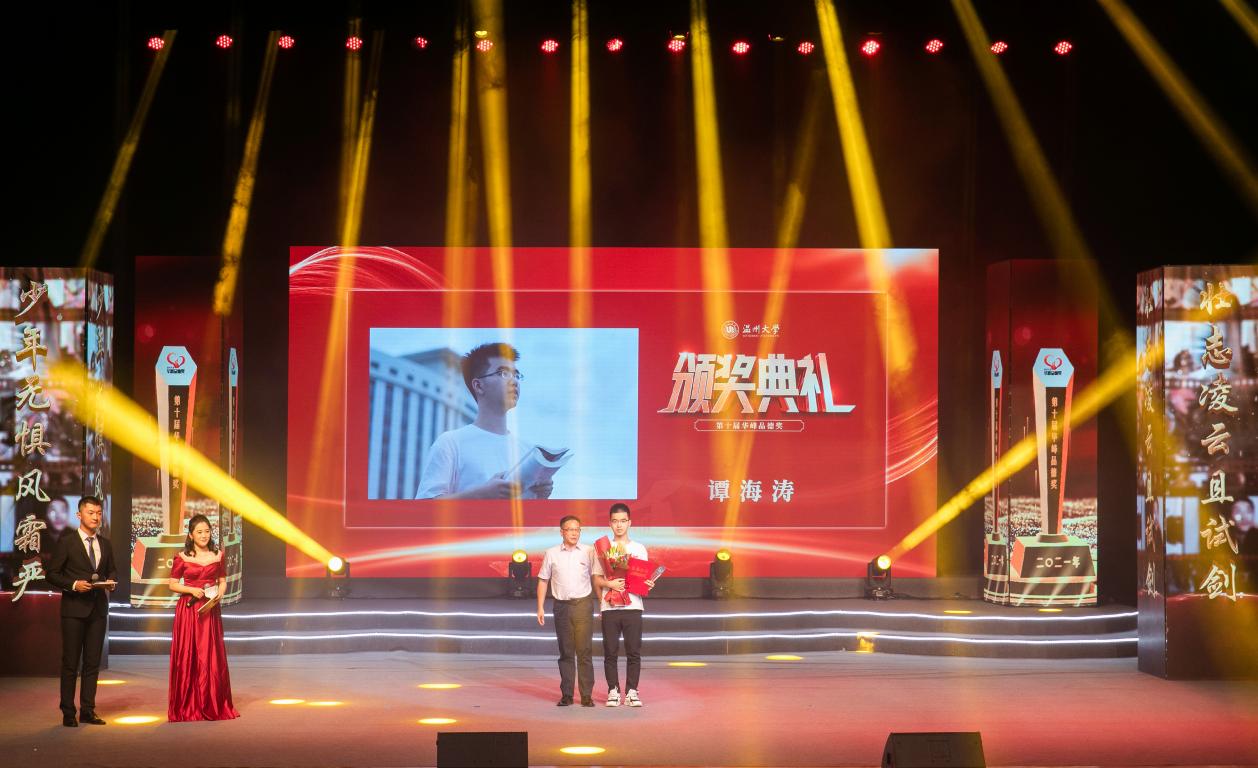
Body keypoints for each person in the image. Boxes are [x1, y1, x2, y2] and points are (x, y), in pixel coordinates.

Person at [415, 342, 554, 500]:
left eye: (516, 375)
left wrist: (542, 495)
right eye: (503, 373)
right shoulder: (451, 443)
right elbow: (425, 506)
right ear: (478, 385)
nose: (514, 381)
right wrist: (482, 494)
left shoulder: (529, 452)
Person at [46, 496, 115, 727]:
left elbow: (112, 571)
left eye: (98, 513)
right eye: (90, 512)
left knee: (92, 663)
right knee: (70, 663)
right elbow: (52, 574)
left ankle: (88, 710)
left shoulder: (105, 543)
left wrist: (110, 582)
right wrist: (74, 584)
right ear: (79, 515)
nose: (96, 517)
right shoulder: (67, 542)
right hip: (74, 610)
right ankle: (68, 712)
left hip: (98, 610)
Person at [167, 514, 239, 721]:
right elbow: (172, 584)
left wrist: (219, 594)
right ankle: (188, 705)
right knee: (189, 653)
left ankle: (212, 702)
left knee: (210, 654)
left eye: (207, 531)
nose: (204, 535)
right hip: (189, 610)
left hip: (210, 608)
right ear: (191, 535)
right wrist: (191, 590)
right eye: (199, 532)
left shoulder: (218, 555)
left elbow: (222, 580)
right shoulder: (182, 557)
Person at [592, 503, 655, 708]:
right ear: (610, 523)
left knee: (633, 651)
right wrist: (609, 585)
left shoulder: (639, 548)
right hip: (610, 607)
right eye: (615, 521)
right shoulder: (602, 548)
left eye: (623, 521)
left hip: (633, 606)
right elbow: (596, 578)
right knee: (610, 651)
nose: (619, 525)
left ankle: (631, 691)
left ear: (630, 522)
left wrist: (647, 583)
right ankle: (613, 690)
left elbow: (642, 578)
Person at [536, 515, 595, 707]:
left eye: (577, 530)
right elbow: (543, 580)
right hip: (561, 607)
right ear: (562, 532)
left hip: (583, 605)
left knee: (584, 651)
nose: (574, 533)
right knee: (566, 652)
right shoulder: (552, 553)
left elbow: (598, 576)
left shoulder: (589, 551)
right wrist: (540, 607)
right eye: (570, 529)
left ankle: (586, 695)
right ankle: (567, 695)